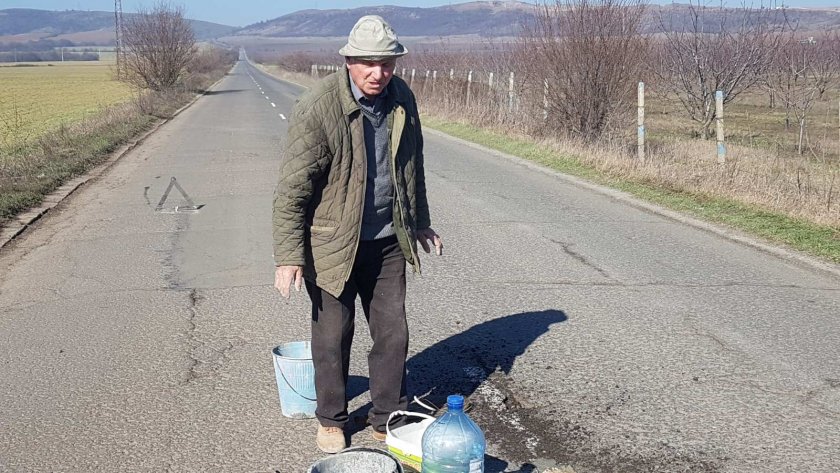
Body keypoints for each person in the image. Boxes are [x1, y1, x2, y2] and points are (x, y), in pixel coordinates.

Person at [272, 15, 442, 454]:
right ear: (348, 61)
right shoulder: (318, 107)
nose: (377, 73)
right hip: (333, 243)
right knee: (332, 336)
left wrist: (420, 221)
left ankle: (387, 416)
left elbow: (412, 166)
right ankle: (332, 419)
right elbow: (292, 190)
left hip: (387, 240)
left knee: (393, 333)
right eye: (367, 63)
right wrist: (289, 256)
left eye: (386, 63)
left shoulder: (402, 97)